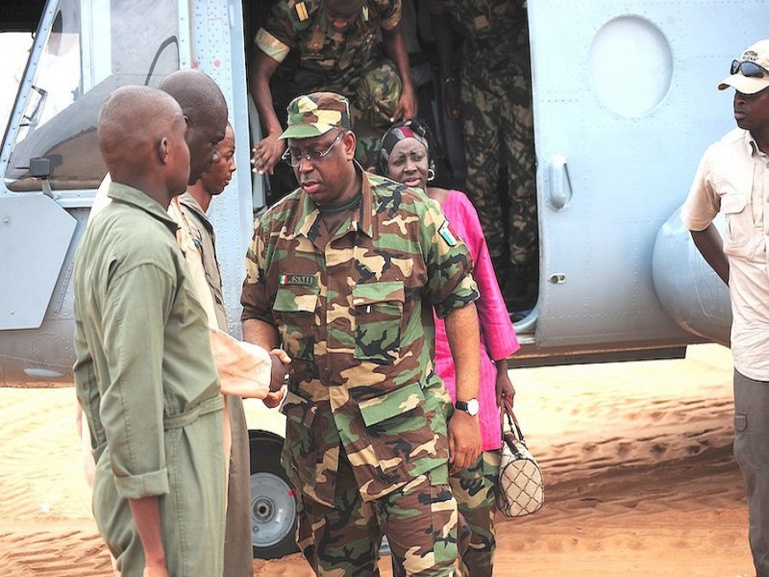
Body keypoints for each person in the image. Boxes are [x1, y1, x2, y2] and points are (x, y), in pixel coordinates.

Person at [240, 91, 482, 575]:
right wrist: (264, 359)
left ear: (348, 144)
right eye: (296, 154)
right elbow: (256, 310)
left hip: (408, 449)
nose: (304, 166)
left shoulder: (413, 216)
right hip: (321, 459)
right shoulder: (274, 229)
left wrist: (466, 408)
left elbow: (460, 303)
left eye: (317, 150)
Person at [73, 85, 226, 577]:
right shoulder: (144, 249)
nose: (196, 151)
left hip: (155, 487)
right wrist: (156, 553)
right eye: (184, 136)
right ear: (165, 150)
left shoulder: (108, 227)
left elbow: (88, 374)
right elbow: (129, 400)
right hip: (171, 494)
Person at [379, 119, 520, 576]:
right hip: (410, 382)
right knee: (417, 525)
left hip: (467, 371)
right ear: (384, 170)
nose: (409, 167)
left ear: (431, 162)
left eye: (416, 156)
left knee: (477, 517)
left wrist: (501, 368)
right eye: (398, 160)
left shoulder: (457, 207)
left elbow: (487, 287)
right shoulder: (377, 220)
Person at [681, 38, 769, 577]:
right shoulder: (720, 158)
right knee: (760, 480)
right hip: (756, 355)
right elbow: (696, 223)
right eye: (735, 91)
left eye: (752, 93)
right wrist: (733, 276)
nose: (739, 101)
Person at [178, 122, 253, 577]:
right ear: (202, 156)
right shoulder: (182, 226)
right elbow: (202, 339)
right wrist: (263, 371)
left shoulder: (199, 223)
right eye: (225, 154)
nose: (232, 165)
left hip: (225, 397)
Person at [430, 0, 538, 311]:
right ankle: (496, 267)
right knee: (479, 179)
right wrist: (449, 77)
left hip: (518, 65)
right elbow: (440, 20)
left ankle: (522, 269)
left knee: (522, 180)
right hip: (476, 68)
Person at [249, 0, 416, 176]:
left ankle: (383, 141)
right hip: (313, 92)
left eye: (347, 17)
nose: (339, 23)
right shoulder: (295, 10)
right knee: (323, 161)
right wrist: (275, 131)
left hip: (358, 78)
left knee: (384, 90)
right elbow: (259, 73)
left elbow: (394, 33)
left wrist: (408, 87)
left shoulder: (381, 2)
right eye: (333, 15)